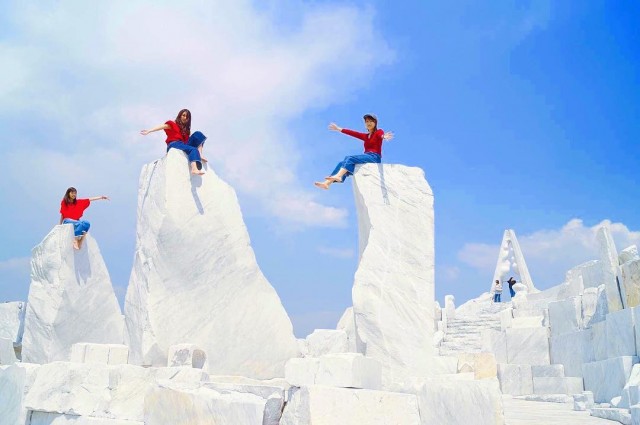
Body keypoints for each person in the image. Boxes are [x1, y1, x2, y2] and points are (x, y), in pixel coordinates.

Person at [314, 113, 394, 190]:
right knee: (341, 163)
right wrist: (339, 129)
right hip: (367, 156)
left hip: (374, 157)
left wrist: (384, 136)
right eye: (366, 121)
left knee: (349, 158)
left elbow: (381, 135)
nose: (368, 123)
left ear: (375, 123)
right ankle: (327, 183)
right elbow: (353, 133)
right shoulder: (366, 136)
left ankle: (339, 176)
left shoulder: (378, 132)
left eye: (370, 121)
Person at [140, 109, 207, 175]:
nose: (185, 118)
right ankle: (194, 169)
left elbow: (193, 139)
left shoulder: (186, 130)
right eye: (183, 115)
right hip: (174, 143)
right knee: (193, 149)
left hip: (183, 144)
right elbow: (162, 126)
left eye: (187, 117)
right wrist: (149, 131)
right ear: (180, 115)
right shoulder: (173, 124)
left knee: (198, 134)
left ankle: (200, 154)